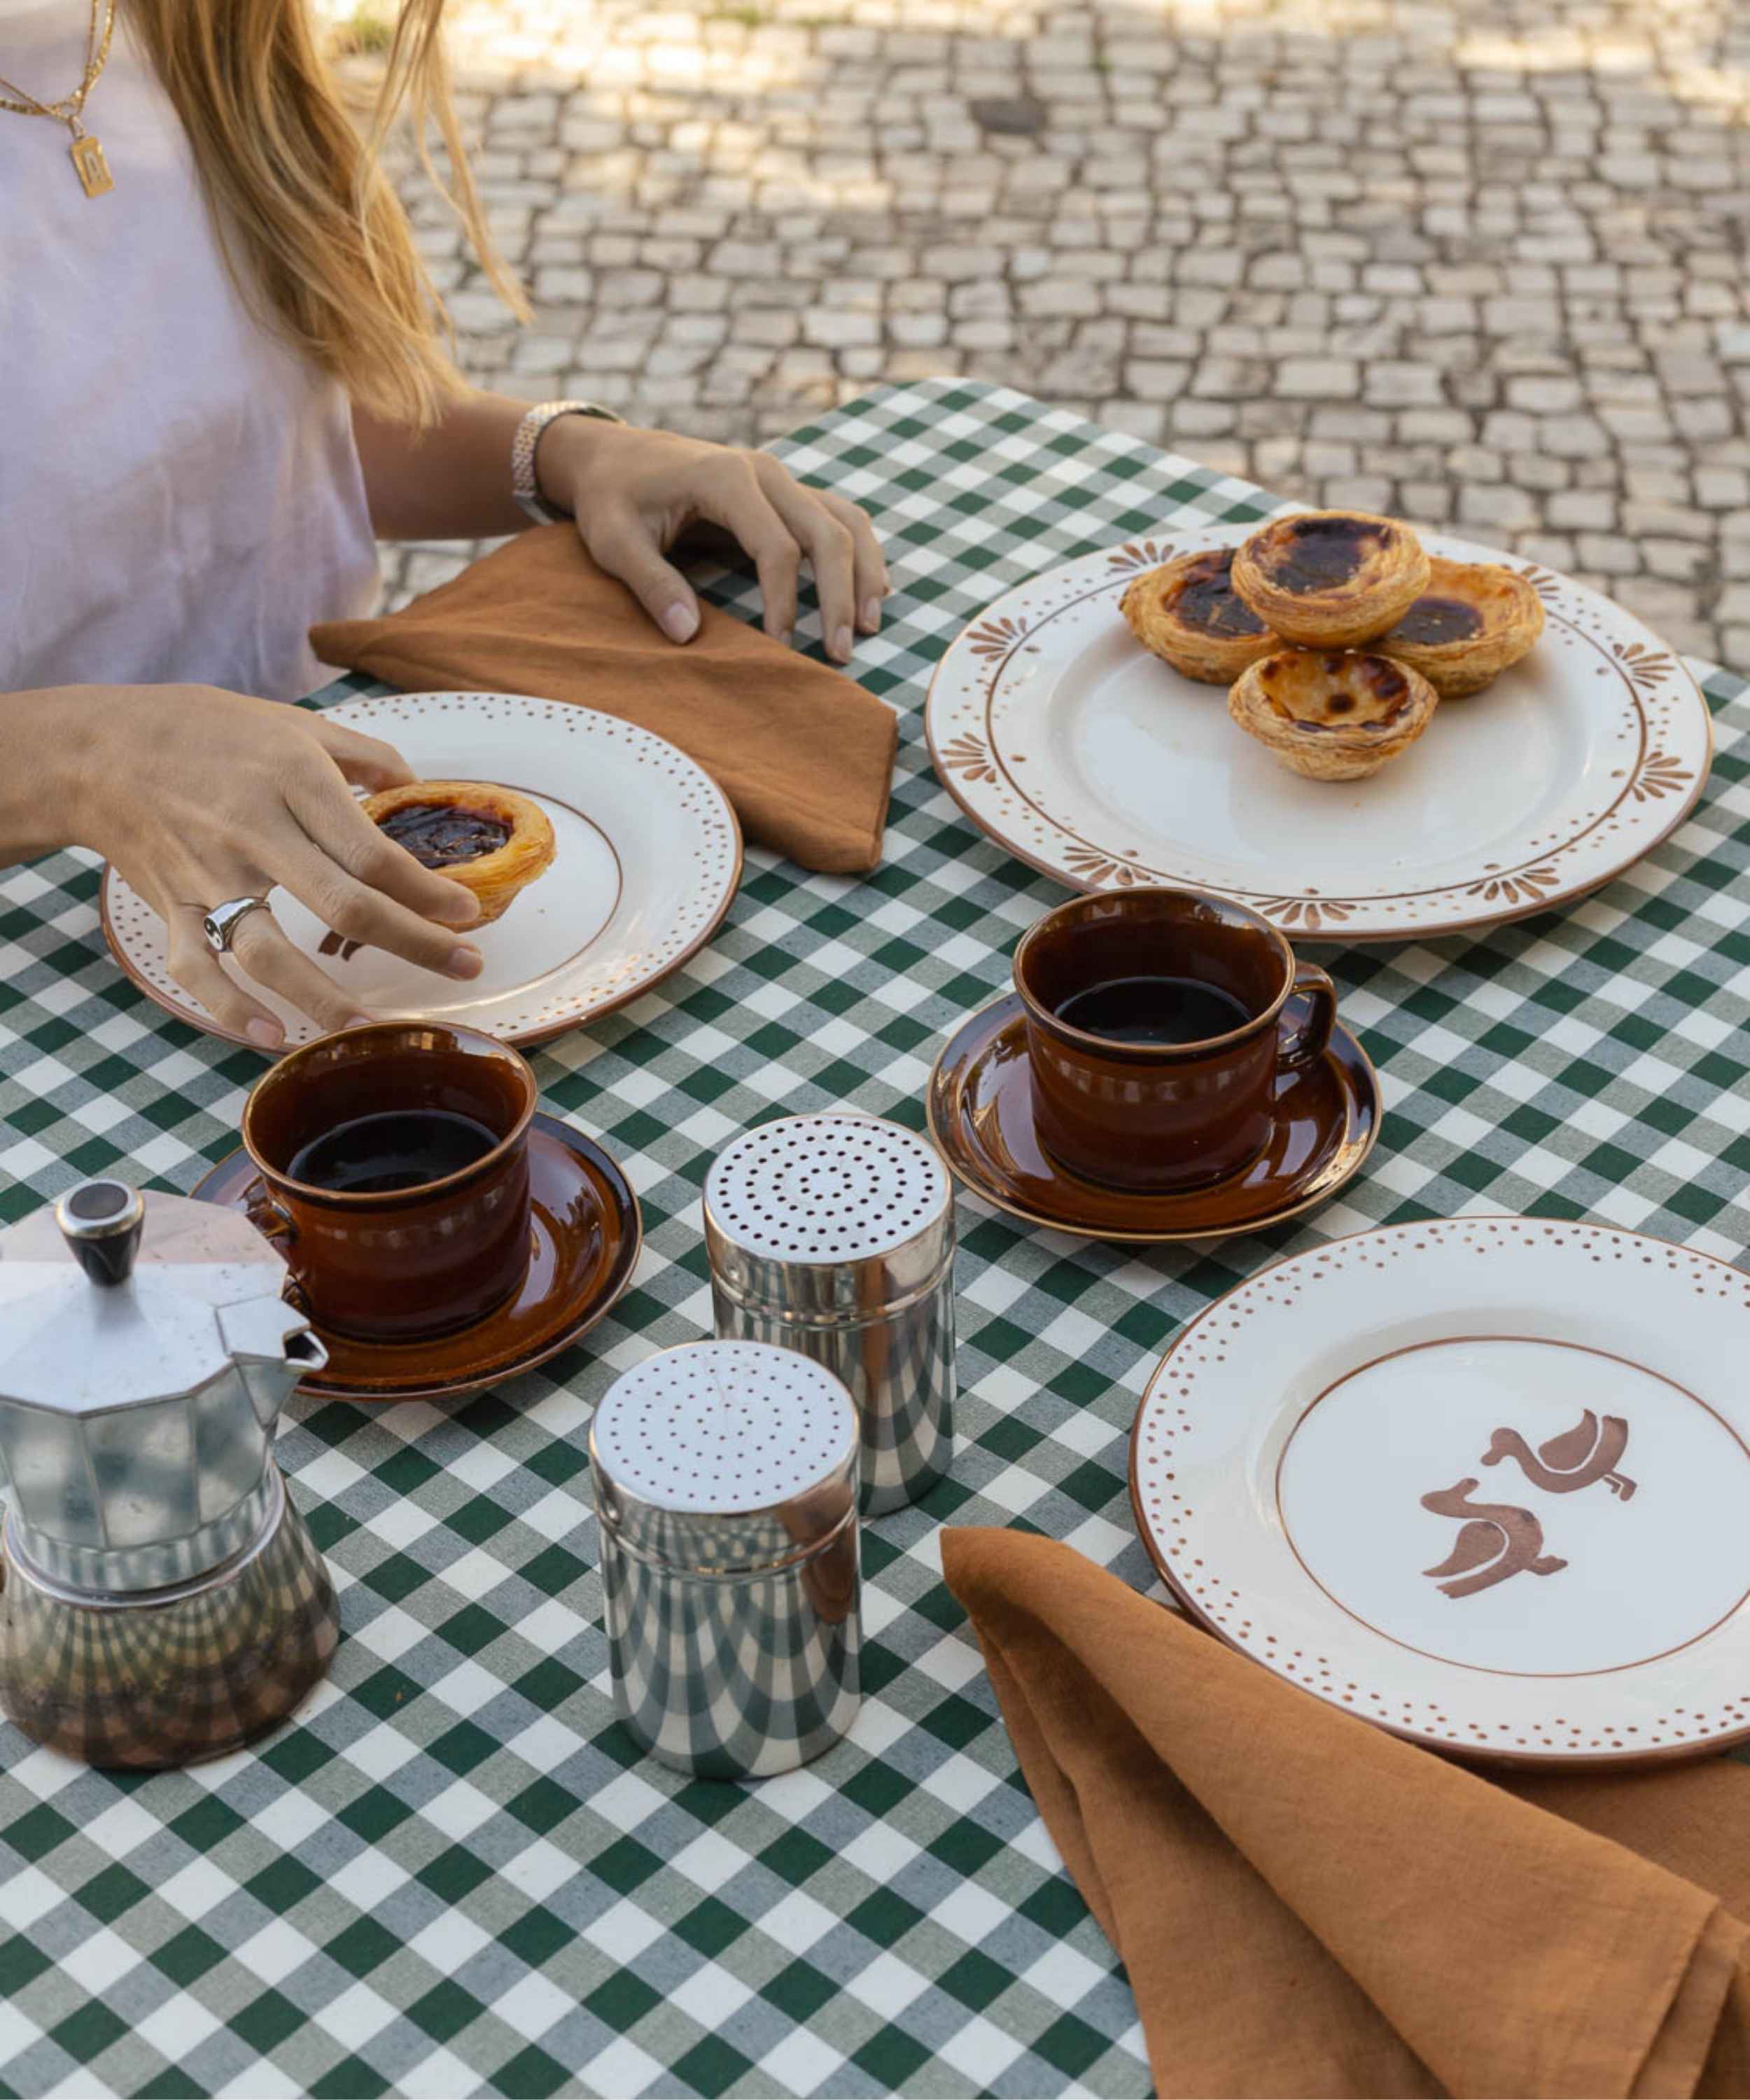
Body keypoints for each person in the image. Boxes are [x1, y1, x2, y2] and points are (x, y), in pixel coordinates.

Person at [0, 0, 886, 1043]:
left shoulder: (184, 28)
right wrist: (83, 759)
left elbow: (260, 441)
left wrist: (566, 454)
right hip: (50, 971)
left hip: (338, 869)